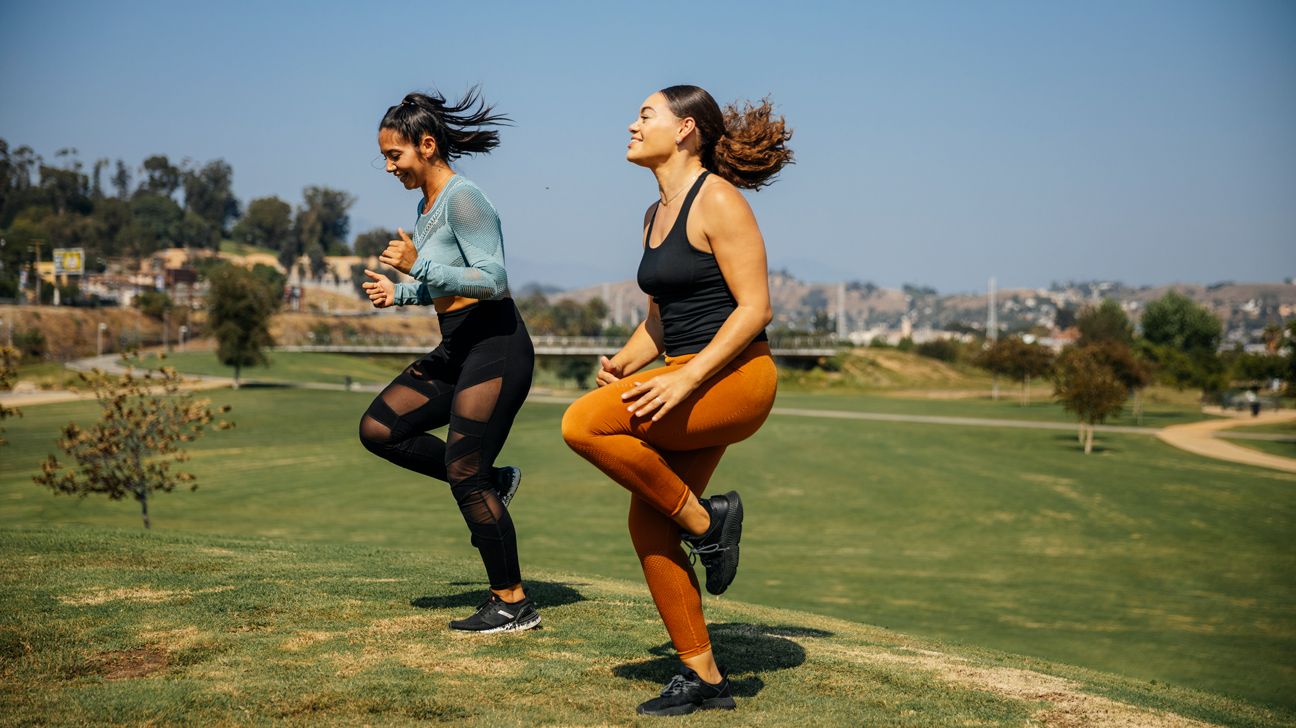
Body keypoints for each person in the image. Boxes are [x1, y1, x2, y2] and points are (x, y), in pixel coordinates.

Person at [561, 84, 792, 716]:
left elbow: (754, 309)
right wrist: (626, 361)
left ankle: (707, 523)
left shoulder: (718, 199)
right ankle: (706, 678)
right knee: (645, 523)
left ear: (686, 129)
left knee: (582, 424)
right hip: (683, 375)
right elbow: (663, 321)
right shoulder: (652, 214)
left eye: (645, 115)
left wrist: (685, 379)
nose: (632, 126)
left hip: (736, 378)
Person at [358, 87, 539, 634]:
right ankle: (495, 479)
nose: (388, 166)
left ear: (428, 145)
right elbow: (445, 289)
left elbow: (494, 279)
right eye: (385, 157)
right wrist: (402, 293)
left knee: (464, 473)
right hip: (458, 344)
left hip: (497, 344)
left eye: (395, 155)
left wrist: (419, 269)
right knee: (380, 429)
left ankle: (512, 603)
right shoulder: (426, 207)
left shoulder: (465, 199)